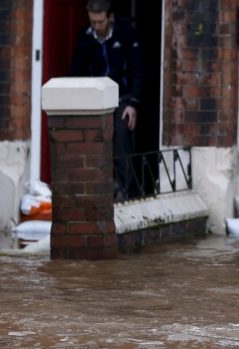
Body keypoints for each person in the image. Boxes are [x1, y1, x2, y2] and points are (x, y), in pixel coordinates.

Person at [71, 0, 144, 201]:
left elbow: (138, 69)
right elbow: (76, 73)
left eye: (100, 22)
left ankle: (125, 190)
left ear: (110, 17)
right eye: (93, 22)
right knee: (93, 141)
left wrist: (133, 103)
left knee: (121, 136)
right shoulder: (85, 39)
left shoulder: (126, 34)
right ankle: (95, 189)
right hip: (95, 98)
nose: (96, 27)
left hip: (122, 97)